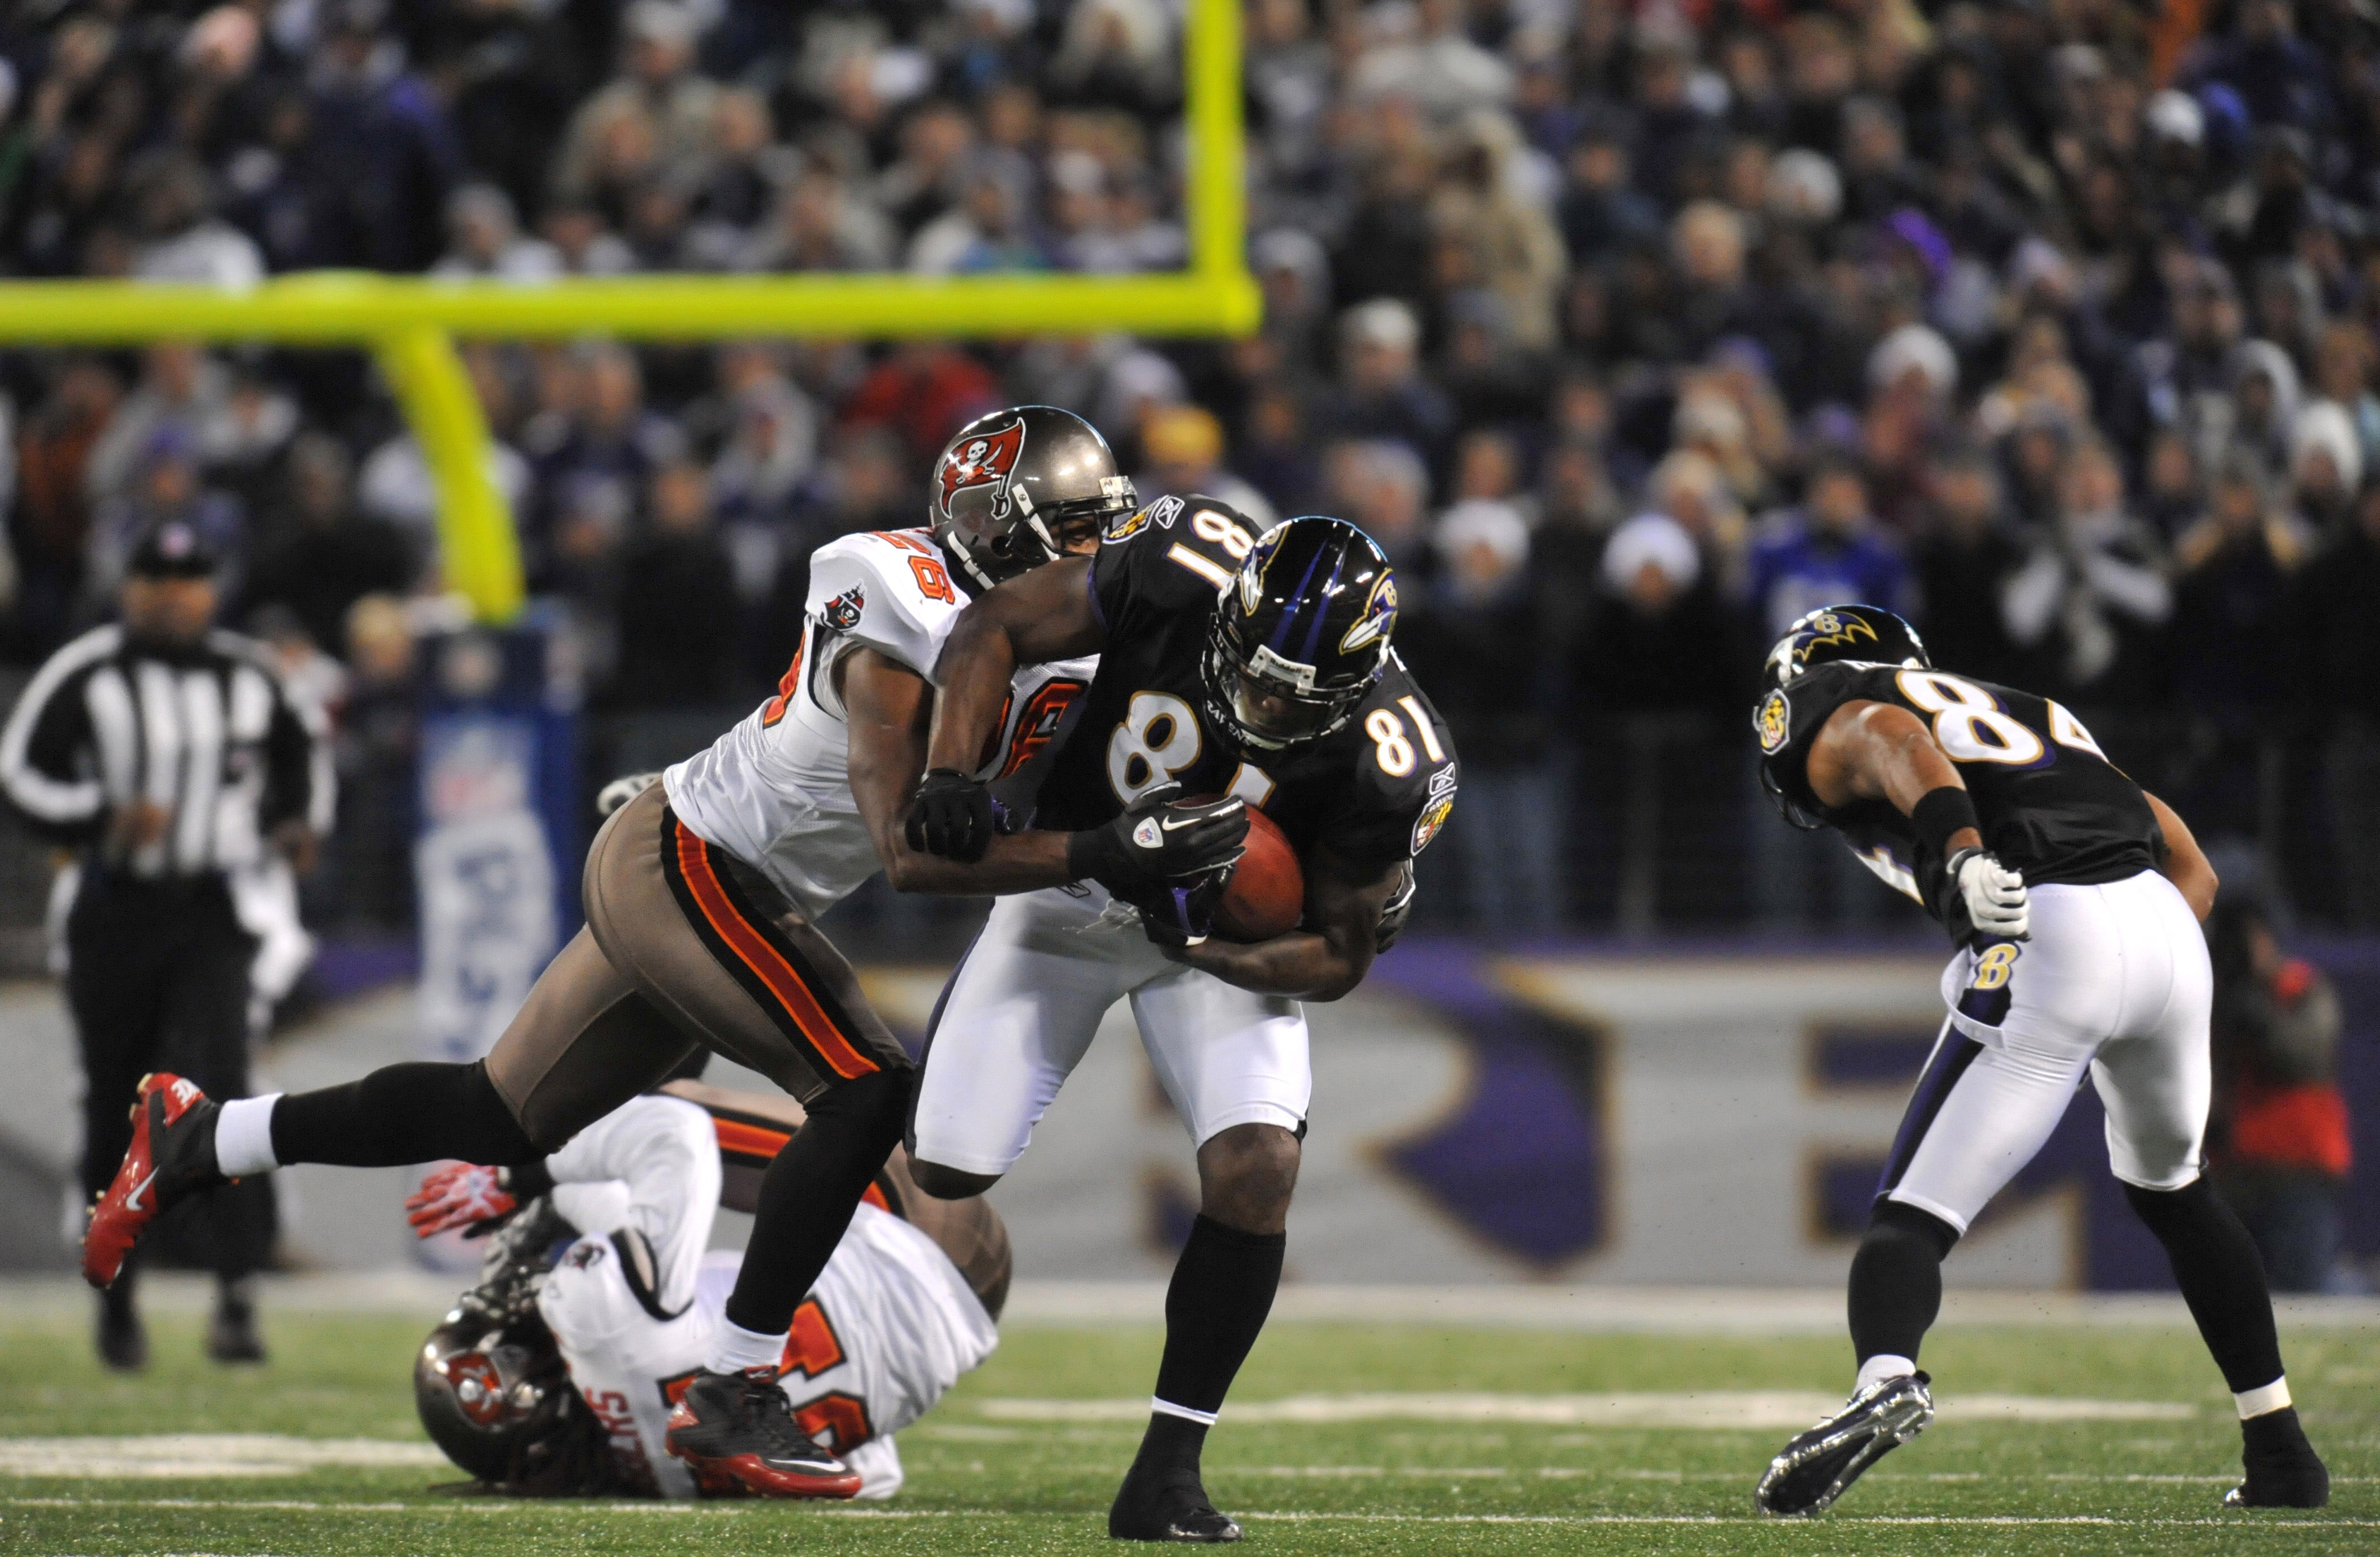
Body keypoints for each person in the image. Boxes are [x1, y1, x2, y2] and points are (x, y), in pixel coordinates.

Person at [77, 407, 1159, 1499]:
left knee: (497, 1113)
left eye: (1100, 530)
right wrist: (1105, 847)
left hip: (721, 870)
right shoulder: (896, 599)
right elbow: (910, 856)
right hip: (691, 861)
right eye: (1073, 533)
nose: (1094, 558)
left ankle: (206, 1136)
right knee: (868, 1089)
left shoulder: (1056, 635)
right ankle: (735, 1391)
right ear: (998, 537)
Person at [901, 508, 1448, 1541]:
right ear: (1231, 608)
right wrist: (949, 773)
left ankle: (1166, 1471)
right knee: (945, 1165)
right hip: (1070, 878)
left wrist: (1205, 946)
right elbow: (991, 628)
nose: (1264, 699)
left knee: (1257, 1168)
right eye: (1255, 668)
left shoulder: (1393, 754)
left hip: (1203, 938)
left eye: (1298, 693)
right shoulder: (1180, 561)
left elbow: (1337, 956)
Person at [1746, 605, 2328, 1516]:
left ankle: (1884, 1379)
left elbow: (1890, 733)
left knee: (1912, 1213)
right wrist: (2131, 957)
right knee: (2177, 1192)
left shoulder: (1845, 701)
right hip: (2169, 929)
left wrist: (1968, 854)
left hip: (2048, 923)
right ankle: (2283, 1451)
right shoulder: (2037, 713)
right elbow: (2195, 869)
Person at [0, 520, 329, 1369]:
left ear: (211, 589)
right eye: (157, 576)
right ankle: (117, 1304)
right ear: (129, 588)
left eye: (190, 577)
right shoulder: (88, 671)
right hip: (114, 908)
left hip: (210, 911)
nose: (175, 593)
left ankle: (236, 1296)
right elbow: (20, 771)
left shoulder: (251, 674)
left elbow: (305, 754)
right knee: (115, 1097)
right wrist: (97, 817)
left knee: (220, 1088)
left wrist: (297, 823)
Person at [407, 1083, 1005, 1499]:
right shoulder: (588, 1316)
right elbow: (672, 1136)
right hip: (928, 1224)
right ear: (522, 1372)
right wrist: (534, 1182)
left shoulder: (662, 1478)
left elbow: (872, 1476)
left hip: (964, 1321)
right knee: (661, 1105)